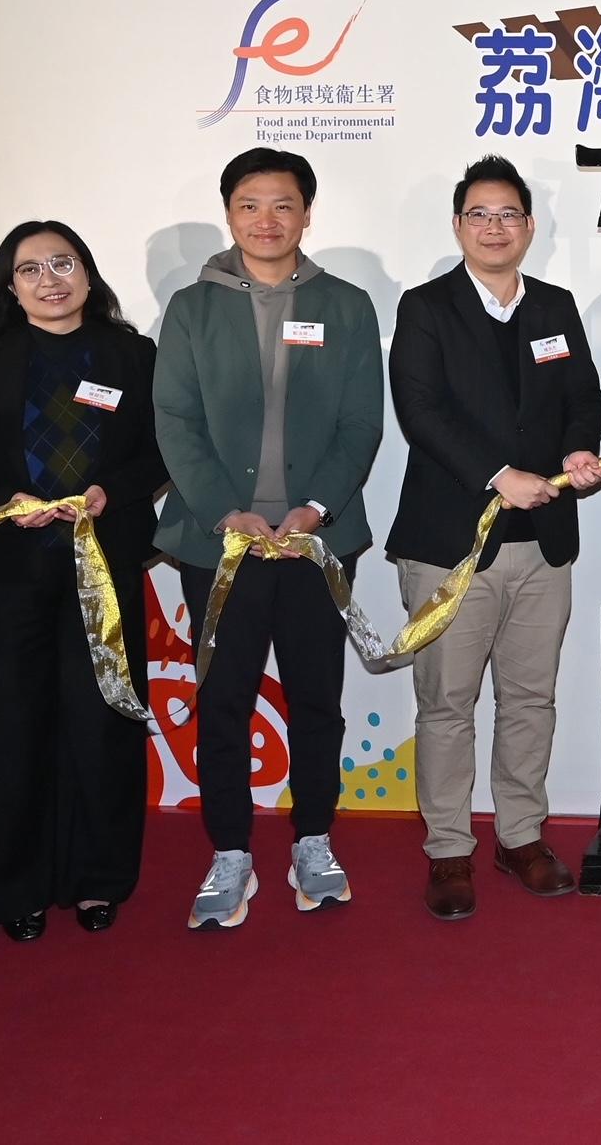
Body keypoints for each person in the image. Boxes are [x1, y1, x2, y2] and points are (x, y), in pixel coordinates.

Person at [152, 148, 384, 930]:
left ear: (307, 213)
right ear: (230, 214)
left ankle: (313, 838)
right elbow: (174, 422)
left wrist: (315, 508)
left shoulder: (348, 306)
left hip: (317, 540)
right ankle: (230, 851)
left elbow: (361, 424)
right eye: (250, 204)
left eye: (283, 204)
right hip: (219, 543)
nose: (267, 219)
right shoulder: (191, 308)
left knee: (319, 697)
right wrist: (225, 511)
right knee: (223, 700)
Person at [0, 221, 168, 941]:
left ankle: (98, 880)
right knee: (7, 732)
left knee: (103, 727)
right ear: (10, 286)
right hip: (8, 575)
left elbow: (159, 453)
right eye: (30, 269)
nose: (50, 278)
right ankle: (12, 886)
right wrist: (2, 503)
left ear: (89, 274)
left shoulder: (133, 355)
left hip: (103, 566)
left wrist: (108, 495)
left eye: (64, 263)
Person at [387, 155, 601, 921]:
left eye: (508, 215)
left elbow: (585, 396)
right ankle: (448, 850)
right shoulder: (425, 307)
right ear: (457, 226)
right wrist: (498, 473)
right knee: (446, 704)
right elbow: (421, 412)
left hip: (542, 543)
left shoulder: (554, 306)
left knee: (529, 700)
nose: (494, 228)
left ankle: (521, 837)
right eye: (479, 215)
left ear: (529, 228)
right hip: (450, 544)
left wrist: (580, 450)